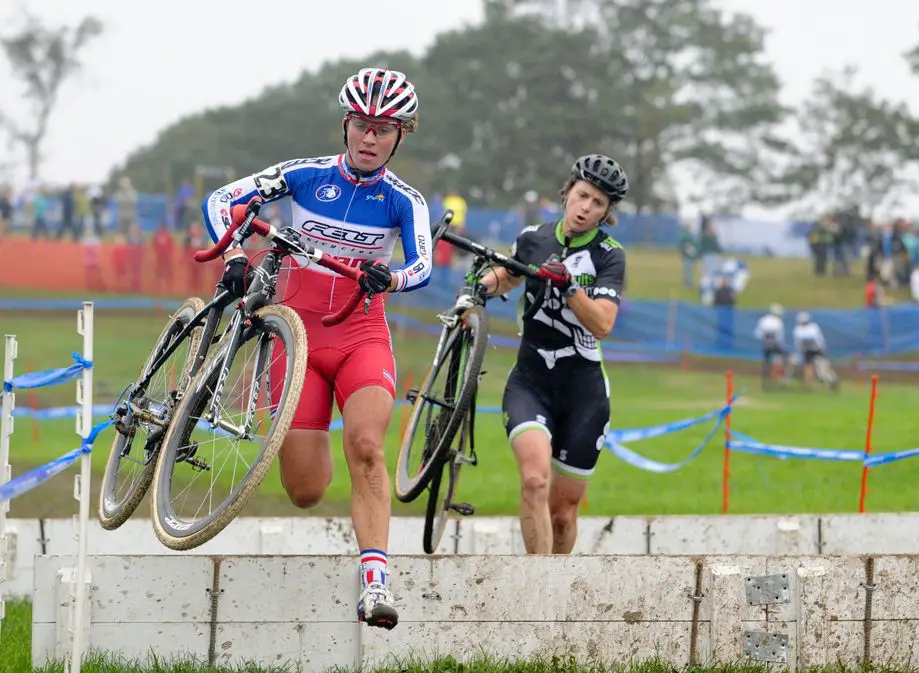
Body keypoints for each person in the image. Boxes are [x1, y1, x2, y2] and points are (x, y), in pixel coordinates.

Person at [201, 67, 433, 630]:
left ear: (402, 134)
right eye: (361, 124)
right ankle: (317, 443)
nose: (369, 137)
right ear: (345, 124)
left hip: (361, 337)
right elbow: (221, 200)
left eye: (383, 128)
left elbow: (421, 263)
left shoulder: (405, 200)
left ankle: (375, 582)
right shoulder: (303, 175)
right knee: (304, 490)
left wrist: (393, 279)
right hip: (297, 337)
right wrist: (232, 254)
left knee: (368, 447)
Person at [470, 154, 628, 555]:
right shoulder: (534, 238)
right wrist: (477, 286)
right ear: (567, 192)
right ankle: (536, 590)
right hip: (531, 382)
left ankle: (558, 598)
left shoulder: (610, 254)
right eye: (582, 196)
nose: (586, 208)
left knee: (562, 514)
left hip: (584, 394)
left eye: (597, 204)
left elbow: (603, 324)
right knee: (534, 481)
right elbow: (507, 275)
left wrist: (571, 288)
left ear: (606, 213)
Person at [754, 303, 788, 388]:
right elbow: (780, 337)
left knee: (766, 361)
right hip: (775, 345)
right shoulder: (778, 322)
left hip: (766, 345)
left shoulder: (763, 320)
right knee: (785, 358)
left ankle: (766, 379)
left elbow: (757, 333)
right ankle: (779, 377)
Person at [792, 311, 829, 390]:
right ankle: (825, 377)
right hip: (817, 350)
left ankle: (808, 386)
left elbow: (798, 344)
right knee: (823, 365)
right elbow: (820, 340)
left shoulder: (797, 330)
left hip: (807, 352)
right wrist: (823, 349)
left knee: (808, 367)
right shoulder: (814, 327)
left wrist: (799, 353)